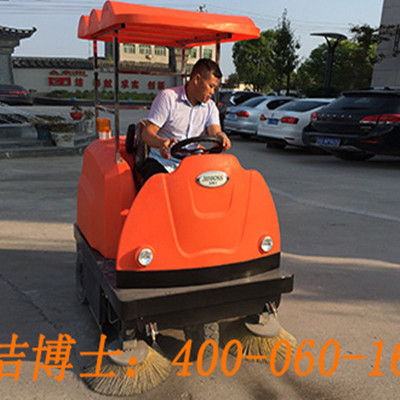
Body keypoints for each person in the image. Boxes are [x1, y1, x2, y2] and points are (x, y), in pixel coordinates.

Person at [140, 58, 231, 181]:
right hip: (163, 161)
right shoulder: (168, 98)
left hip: (192, 164)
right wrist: (162, 143)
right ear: (197, 79)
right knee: (160, 185)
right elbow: (147, 133)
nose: (212, 92)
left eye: (214, 88)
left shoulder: (210, 107)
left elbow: (215, 131)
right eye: (210, 86)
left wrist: (221, 137)